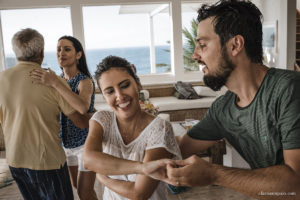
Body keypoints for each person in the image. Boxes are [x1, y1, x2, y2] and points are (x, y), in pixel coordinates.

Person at [142, 0, 300, 199]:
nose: (195, 55)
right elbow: (177, 149)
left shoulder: (290, 90)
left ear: (235, 45)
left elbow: (295, 186)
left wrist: (213, 173)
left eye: (202, 45)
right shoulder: (223, 109)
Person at [0, 28, 90, 200]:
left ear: (15, 52)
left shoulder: (1, 79)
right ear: (41, 53)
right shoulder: (53, 81)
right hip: (47, 162)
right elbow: (80, 121)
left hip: (15, 161)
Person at [83, 55, 181, 200]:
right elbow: (89, 160)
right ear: (104, 96)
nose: (120, 96)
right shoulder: (102, 120)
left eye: (125, 86)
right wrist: (142, 167)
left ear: (138, 84)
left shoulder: (160, 128)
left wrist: (104, 178)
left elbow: (139, 193)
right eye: (110, 91)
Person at [29, 36, 96, 200]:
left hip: (85, 144)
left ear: (78, 54)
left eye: (67, 49)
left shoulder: (84, 81)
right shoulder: (56, 79)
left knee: (84, 192)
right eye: (59, 49)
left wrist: (55, 83)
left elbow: (82, 107)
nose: (61, 53)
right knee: (77, 187)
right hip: (64, 144)